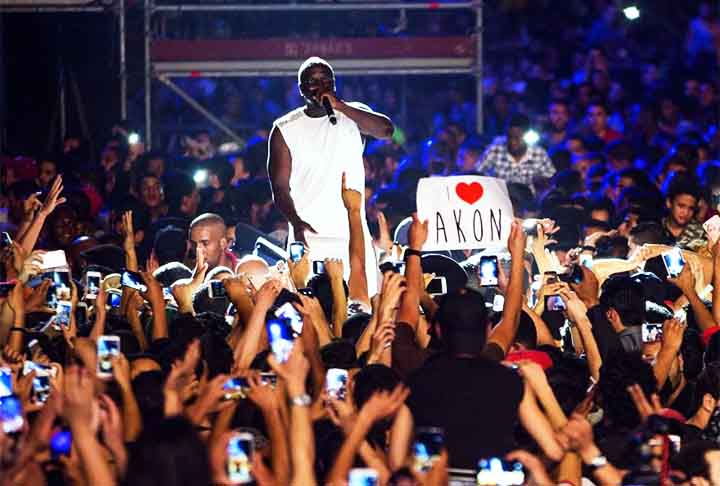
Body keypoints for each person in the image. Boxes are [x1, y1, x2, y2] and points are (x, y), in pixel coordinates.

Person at [268, 56, 393, 294]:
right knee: (312, 307)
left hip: (352, 232)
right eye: (313, 81)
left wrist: (341, 107)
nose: (321, 86)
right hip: (308, 234)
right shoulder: (285, 127)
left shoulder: (352, 114)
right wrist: (295, 222)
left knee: (360, 306)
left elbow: (386, 130)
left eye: (327, 80)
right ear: (302, 89)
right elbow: (279, 186)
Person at [475, 113, 556, 189]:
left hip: (529, 202)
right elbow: (477, 174)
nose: (513, 142)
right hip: (500, 200)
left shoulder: (539, 154)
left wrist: (541, 182)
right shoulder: (495, 151)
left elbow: (551, 181)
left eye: (517, 138)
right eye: (509, 137)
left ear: (526, 136)